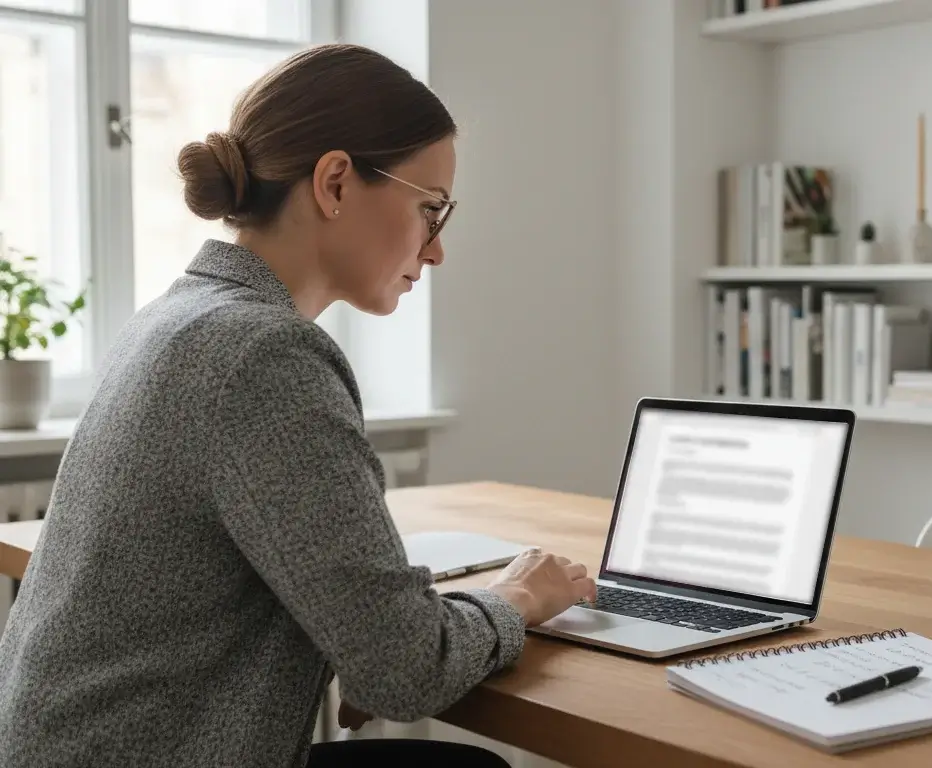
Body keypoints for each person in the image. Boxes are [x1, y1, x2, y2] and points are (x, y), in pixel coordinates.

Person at [0, 43, 596, 768]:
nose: (436, 250)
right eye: (430, 209)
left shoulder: (177, 317)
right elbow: (408, 671)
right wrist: (518, 599)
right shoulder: (265, 355)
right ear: (336, 182)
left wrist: (368, 639)